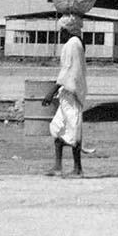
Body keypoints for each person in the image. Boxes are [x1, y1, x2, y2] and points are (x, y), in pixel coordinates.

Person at [42, 13, 88, 178]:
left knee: (74, 129)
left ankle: (77, 168)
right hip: (66, 93)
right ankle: (58, 165)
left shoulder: (73, 44)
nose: (60, 33)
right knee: (58, 128)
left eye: (62, 30)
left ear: (67, 30)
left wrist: (51, 91)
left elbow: (68, 70)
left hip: (71, 92)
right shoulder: (74, 43)